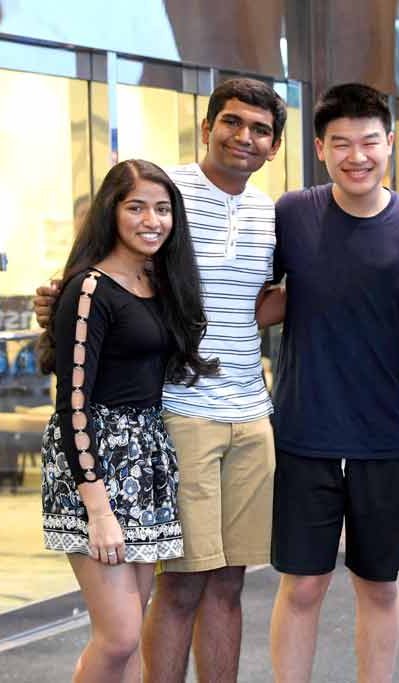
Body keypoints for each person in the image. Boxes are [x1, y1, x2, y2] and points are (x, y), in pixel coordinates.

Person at [36, 78, 287, 683]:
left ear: (275, 145)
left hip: (251, 412)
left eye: (259, 129)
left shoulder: (268, 212)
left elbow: (254, 304)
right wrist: (61, 300)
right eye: (231, 122)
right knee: (178, 590)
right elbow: (101, 283)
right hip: (177, 414)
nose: (244, 138)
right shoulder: (165, 192)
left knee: (229, 584)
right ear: (207, 128)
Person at [268, 83, 399, 683]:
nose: (356, 155)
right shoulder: (291, 213)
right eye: (341, 143)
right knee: (304, 584)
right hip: (303, 432)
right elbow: (255, 297)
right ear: (319, 148)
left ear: (390, 142)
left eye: (370, 141)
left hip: (388, 437)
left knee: (379, 584)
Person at [38, 158, 219, 682]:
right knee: (117, 635)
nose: (151, 220)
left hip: (145, 456)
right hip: (94, 460)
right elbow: (72, 400)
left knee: (126, 632)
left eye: (162, 209)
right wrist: (97, 508)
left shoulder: (158, 280)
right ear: (111, 212)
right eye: (136, 206)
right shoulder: (90, 289)